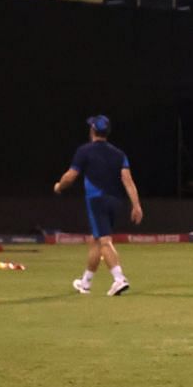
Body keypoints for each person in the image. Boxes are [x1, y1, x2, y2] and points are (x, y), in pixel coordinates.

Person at [52, 114, 141, 296]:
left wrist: (59, 186)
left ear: (92, 130)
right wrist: (136, 205)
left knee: (105, 241)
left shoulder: (85, 151)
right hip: (116, 202)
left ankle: (119, 279)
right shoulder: (119, 154)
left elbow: (70, 176)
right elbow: (128, 181)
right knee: (95, 240)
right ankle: (85, 282)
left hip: (96, 200)